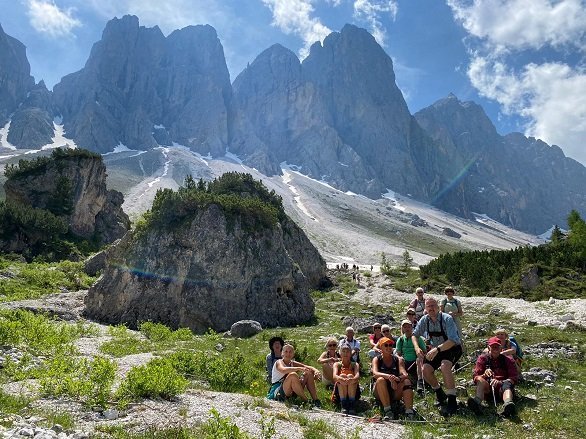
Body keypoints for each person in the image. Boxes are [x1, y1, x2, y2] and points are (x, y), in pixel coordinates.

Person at [412, 298, 463, 416]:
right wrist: (416, 348)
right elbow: (415, 335)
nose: (431, 308)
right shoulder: (425, 320)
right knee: (425, 370)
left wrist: (437, 349)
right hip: (436, 349)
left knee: (445, 367)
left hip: (452, 348)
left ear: (438, 307)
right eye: (428, 306)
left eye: (433, 305)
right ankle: (439, 392)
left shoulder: (447, 318)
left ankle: (452, 399)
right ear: (425, 308)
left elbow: (453, 340)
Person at [468, 336, 518, 417]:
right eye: (493, 347)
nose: (495, 349)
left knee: (507, 384)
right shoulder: (482, 359)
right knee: (480, 379)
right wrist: (484, 375)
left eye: (497, 347)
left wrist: (500, 382)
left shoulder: (508, 359)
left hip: (502, 388)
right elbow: (475, 376)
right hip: (488, 389)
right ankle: (477, 402)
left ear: (501, 348)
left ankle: (508, 404)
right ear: (488, 348)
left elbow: (514, 378)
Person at [372, 336, 416, 420]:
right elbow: (375, 373)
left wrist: (397, 379)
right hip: (380, 390)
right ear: (381, 347)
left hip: (395, 390)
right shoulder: (377, 359)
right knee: (380, 380)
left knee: (406, 381)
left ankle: (409, 412)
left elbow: (404, 374)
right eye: (386, 345)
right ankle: (388, 411)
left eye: (390, 345)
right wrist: (388, 377)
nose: (389, 347)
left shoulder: (397, 359)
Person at [395, 319, 427, 394]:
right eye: (405, 327)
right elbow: (398, 353)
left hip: (416, 362)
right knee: (400, 360)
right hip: (406, 362)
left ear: (412, 327)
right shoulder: (401, 339)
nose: (407, 329)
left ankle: (420, 383)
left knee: (419, 360)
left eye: (408, 327)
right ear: (402, 328)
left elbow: (425, 352)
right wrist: (400, 358)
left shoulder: (418, 338)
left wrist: (419, 356)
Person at [332, 342, 361, 415]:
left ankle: (351, 404)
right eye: (343, 351)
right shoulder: (337, 364)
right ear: (340, 354)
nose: (345, 353)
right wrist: (341, 379)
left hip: (353, 390)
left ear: (351, 353)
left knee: (350, 376)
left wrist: (352, 379)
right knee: (342, 376)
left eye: (347, 351)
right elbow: (334, 376)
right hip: (340, 390)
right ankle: (343, 404)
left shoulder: (355, 364)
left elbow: (357, 375)